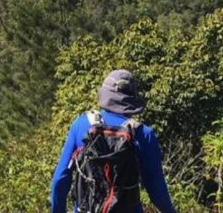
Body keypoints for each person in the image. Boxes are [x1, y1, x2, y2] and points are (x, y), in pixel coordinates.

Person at [51, 70, 176, 213]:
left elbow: (60, 180)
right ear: (132, 99)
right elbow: (157, 189)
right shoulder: (144, 134)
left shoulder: (80, 124)